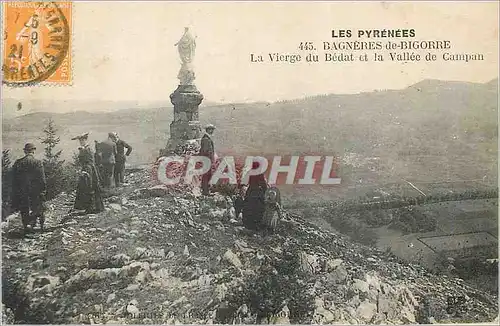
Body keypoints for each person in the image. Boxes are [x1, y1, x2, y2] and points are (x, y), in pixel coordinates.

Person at [11, 143, 47, 233]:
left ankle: (26, 226)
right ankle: (33, 226)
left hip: (22, 190)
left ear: (25, 151)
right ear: (33, 151)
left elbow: (14, 179)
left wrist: (15, 191)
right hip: (35, 190)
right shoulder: (38, 162)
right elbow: (42, 179)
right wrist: (43, 190)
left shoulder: (18, 162)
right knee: (35, 207)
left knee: (24, 208)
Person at [72, 133, 104, 214]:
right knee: (84, 188)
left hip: (89, 169)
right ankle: (85, 207)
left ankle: (92, 208)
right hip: (86, 169)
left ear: (85, 140)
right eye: (80, 140)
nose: (81, 142)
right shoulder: (84, 148)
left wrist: (86, 171)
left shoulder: (87, 149)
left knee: (89, 187)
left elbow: (89, 161)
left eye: (82, 140)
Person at [242, 161, 268, 230]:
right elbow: (264, 185)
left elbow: (244, 182)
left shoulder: (249, 172)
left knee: (248, 208)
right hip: (258, 193)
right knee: (258, 209)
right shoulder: (260, 174)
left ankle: (248, 224)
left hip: (250, 192)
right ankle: (257, 225)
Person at [199, 124, 216, 196]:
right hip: (207, 160)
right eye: (211, 129)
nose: (212, 131)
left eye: (212, 129)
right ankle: (205, 191)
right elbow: (205, 150)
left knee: (207, 175)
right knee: (206, 175)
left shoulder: (207, 138)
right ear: (208, 130)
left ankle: (206, 190)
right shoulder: (206, 139)